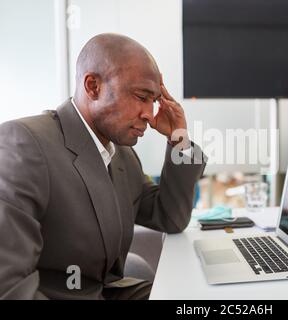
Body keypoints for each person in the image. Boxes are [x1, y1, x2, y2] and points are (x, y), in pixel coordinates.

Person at [0, 33, 206, 300]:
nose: (149, 113)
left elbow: (170, 217)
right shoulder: (24, 143)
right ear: (93, 86)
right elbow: (9, 287)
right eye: (141, 96)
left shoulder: (121, 156)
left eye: (153, 101)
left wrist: (179, 138)